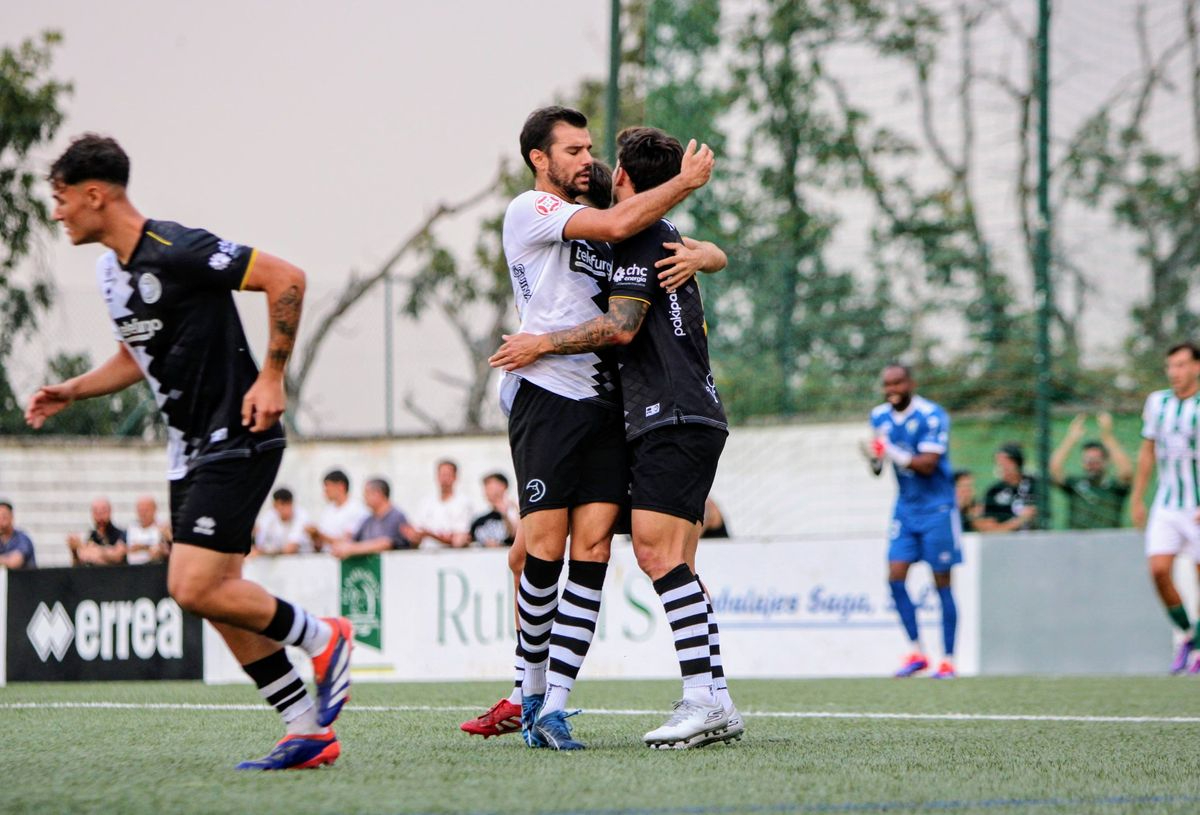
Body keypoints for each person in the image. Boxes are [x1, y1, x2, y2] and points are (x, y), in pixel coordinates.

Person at [26, 134, 352, 770]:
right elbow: (135, 356)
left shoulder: (176, 248)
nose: (58, 212)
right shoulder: (109, 273)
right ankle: (305, 728)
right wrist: (72, 390)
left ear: (96, 195)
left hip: (240, 435)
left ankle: (325, 635)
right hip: (190, 451)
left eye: (62, 199)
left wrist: (273, 375)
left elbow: (287, 278)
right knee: (215, 594)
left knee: (192, 584)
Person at [490, 125, 740, 750]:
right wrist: (708, 252)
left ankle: (702, 698)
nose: (590, 161)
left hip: (667, 414)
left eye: (596, 157)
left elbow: (624, 326)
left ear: (626, 184)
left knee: (656, 555)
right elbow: (693, 245)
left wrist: (540, 343)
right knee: (643, 556)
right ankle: (542, 695)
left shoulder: (636, 239)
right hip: (667, 411)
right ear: (539, 158)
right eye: (574, 150)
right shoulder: (637, 232)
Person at [863, 364, 961, 679]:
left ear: (911, 384)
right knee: (894, 575)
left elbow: (928, 465)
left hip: (938, 508)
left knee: (942, 581)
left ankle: (947, 659)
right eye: (887, 384)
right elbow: (879, 466)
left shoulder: (933, 416)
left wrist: (887, 449)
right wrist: (874, 457)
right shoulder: (879, 416)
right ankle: (917, 652)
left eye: (897, 383)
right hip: (905, 509)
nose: (891, 389)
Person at [1130, 342, 1200, 674]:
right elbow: (1147, 452)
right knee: (1159, 570)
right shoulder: (1157, 403)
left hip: (1198, 505)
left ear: (1197, 367)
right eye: (1171, 366)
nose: (1175, 372)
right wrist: (1138, 497)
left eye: (1182, 365)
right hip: (1168, 505)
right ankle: (1187, 634)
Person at [1049, 413, 1133, 529]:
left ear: (1106, 461)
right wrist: (1071, 438)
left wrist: (1107, 437)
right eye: (1088, 460)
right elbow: (1054, 468)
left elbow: (1126, 471)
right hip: (1077, 543)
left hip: (1108, 542)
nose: (1091, 464)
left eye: (1096, 460)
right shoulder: (1075, 485)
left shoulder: (1114, 487)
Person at [329, 478, 418, 558]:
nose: (364, 497)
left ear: (378, 493)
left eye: (367, 493)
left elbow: (387, 543)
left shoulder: (396, 517)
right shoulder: (367, 521)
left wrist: (351, 549)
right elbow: (354, 540)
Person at [975, 444, 1039, 533]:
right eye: (998, 462)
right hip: (1004, 541)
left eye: (1007, 462)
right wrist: (1019, 520)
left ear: (1017, 463)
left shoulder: (1034, 485)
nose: (1002, 466)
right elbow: (989, 529)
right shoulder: (994, 491)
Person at [413, 460, 473, 549]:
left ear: (455, 477)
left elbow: (458, 540)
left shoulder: (464, 503)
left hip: (454, 556)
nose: (444, 479)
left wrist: (429, 534)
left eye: (447, 475)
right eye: (441, 475)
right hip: (426, 555)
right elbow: (417, 533)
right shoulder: (425, 502)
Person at [307, 469, 369, 552]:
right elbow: (321, 544)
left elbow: (349, 542)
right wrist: (315, 537)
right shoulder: (327, 511)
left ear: (341, 486)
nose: (326, 491)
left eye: (328, 486)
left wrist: (320, 535)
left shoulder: (357, 509)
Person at [66, 497, 127, 566]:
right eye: (96, 512)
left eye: (103, 511)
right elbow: (81, 562)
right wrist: (74, 551)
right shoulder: (92, 536)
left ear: (110, 512)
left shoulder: (121, 534)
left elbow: (118, 556)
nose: (100, 516)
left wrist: (95, 550)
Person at [253, 488, 310, 556]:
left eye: (288, 504)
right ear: (275, 505)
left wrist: (264, 552)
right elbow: (259, 543)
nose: (285, 509)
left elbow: (291, 548)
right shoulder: (269, 516)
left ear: (292, 504)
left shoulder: (302, 516)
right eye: (282, 505)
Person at [469, 473, 519, 547]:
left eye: (490, 485)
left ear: (503, 486)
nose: (486, 490)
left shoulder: (515, 509)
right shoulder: (480, 515)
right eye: (485, 486)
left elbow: (517, 536)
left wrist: (505, 515)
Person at [126, 494, 170, 565]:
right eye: (140, 510)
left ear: (155, 509)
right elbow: (127, 550)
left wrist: (141, 547)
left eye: (146, 510)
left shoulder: (162, 528)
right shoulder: (131, 528)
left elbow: (165, 550)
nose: (143, 514)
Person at [0, 500, 36, 570]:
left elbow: (14, 563)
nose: (1, 521)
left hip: (25, 579)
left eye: (4, 517)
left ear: (11, 517)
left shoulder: (22, 539)